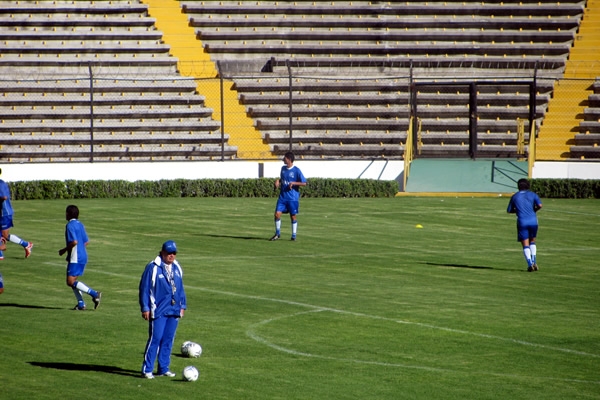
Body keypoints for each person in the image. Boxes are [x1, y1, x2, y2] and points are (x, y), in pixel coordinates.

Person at [139, 240, 187, 379]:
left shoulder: (177, 267)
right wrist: (145, 307)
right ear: (162, 252)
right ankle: (147, 369)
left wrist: (182, 305)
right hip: (158, 310)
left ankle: (163, 368)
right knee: (156, 338)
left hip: (174, 309)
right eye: (169, 253)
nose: (171, 256)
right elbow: (144, 289)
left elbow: (180, 288)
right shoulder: (153, 267)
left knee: (168, 339)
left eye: (174, 253)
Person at [58, 205, 102, 310]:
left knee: (70, 281)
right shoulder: (80, 224)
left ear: (68, 214)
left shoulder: (70, 225)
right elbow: (86, 241)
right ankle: (81, 304)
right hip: (83, 256)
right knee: (74, 282)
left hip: (75, 257)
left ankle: (95, 294)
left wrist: (64, 250)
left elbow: (74, 241)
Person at [270, 152, 308, 241]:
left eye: (285, 158)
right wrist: (278, 181)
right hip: (282, 197)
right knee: (277, 214)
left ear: (289, 159)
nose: (283, 159)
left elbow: (304, 183)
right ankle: (277, 234)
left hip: (292, 198)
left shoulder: (296, 170)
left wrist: (294, 183)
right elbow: (283, 179)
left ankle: (293, 236)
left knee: (293, 216)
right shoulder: (283, 169)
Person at [507, 178, 543, 272]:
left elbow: (509, 210)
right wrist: (534, 210)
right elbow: (540, 205)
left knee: (525, 244)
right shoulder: (533, 194)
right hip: (533, 221)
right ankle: (534, 261)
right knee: (532, 241)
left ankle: (530, 264)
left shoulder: (515, 196)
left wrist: (517, 210)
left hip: (522, 221)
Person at [0, 168, 34, 260]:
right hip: (2, 213)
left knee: (5, 235)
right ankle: (0, 254)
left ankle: (27, 244)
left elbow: (4, 197)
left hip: (5, 213)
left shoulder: (1, 183)